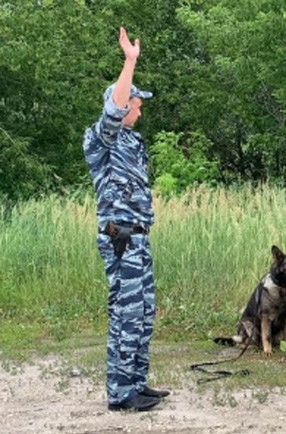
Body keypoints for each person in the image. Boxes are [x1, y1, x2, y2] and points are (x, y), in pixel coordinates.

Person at [83, 27, 169, 411]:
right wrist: (129, 61)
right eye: (136, 101)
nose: (139, 107)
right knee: (126, 313)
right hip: (120, 238)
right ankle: (120, 393)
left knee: (144, 311)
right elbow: (114, 109)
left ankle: (137, 381)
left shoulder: (133, 141)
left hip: (138, 237)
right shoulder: (101, 138)